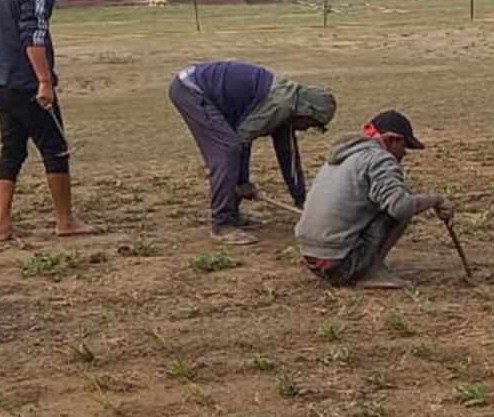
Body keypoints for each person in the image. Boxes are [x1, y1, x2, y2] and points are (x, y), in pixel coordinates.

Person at [0, 0, 95, 240]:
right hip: (28, 83)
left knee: (11, 151)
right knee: (55, 149)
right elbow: (35, 33)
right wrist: (44, 81)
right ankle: (65, 220)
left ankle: (2, 224)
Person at [169, 60, 337, 245]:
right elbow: (243, 139)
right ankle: (222, 224)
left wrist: (302, 200)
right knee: (228, 150)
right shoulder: (279, 105)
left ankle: (231, 215)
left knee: (231, 149)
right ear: (306, 112)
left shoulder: (289, 109)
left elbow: (289, 156)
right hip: (192, 90)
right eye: (311, 124)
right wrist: (242, 182)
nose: (306, 129)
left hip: (203, 90)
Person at [295, 110, 452, 290]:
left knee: (392, 199)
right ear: (392, 139)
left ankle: (363, 265)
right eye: (404, 146)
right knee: (401, 204)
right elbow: (401, 207)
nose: (404, 154)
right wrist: (436, 200)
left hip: (313, 260)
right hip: (340, 265)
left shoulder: (345, 156)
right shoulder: (380, 159)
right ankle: (371, 272)